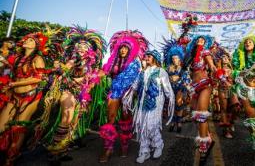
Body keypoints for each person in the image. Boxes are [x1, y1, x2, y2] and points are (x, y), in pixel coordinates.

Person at [41, 26, 106, 164]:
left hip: (81, 95)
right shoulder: (74, 58)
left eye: (85, 46)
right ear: (75, 47)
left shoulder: (92, 63)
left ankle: (62, 150)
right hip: (68, 90)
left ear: (91, 49)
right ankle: (53, 153)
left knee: (73, 122)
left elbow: (95, 78)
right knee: (66, 118)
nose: (82, 48)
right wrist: (63, 69)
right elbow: (65, 70)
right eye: (80, 46)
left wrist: (95, 78)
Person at [0, 32, 49, 165]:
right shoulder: (17, 57)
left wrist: (14, 84)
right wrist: (8, 86)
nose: (27, 40)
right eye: (27, 39)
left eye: (31, 40)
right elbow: (9, 74)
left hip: (30, 97)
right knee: (2, 126)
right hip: (14, 96)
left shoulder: (37, 59)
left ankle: (11, 158)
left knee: (18, 127)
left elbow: (38, 79)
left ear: (36, 45)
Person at [99, 30, 148, 162]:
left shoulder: (134, 63)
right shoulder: (112, 62)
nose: (123, 50)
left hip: (128, 92)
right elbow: (104, 72)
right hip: (115, 91)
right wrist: (92, 76)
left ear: (130, 50)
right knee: (111, 118)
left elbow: (134, 78)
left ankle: (125, 145)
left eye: (126, 48)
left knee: (126, 118)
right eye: (121, 48)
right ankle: (108, 149)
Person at [123, 50, 174, 164]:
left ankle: (158, 145)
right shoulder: (142, 72)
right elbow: (135, 86)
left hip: (155, 104)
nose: (147, 58)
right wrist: (128, 94)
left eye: (149, 56)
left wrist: (171, 100)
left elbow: (167, 88)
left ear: (155, 58)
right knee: (142, 126)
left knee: (151, 125)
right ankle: (144, 151)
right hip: (142, 104)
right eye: (146, 56)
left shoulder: (161, 71)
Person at [184, 35, 217, 164]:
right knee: (195, 117)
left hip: (204, 83)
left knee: (201, 115)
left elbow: (212, 65)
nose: (200, 41)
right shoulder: (191, 55)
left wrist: (218, 73)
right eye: (198, 40)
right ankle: (208, 138)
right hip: (193, 86)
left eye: (202, 40)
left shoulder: (205, 52)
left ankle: (203, 147)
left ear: (205, 43)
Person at [162, 39, 190, 133]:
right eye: (173, 58)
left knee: (179, 104)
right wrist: (170, 79)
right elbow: (164, 79)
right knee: (173, 105)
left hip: (180, 88)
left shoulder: (183, 69)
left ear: (180, 58)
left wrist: (179, 79)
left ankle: (178, 122)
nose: (174, 60)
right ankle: (174, 122)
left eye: (176, 58)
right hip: (171, 89)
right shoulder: (168, 68)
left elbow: (187, 80)